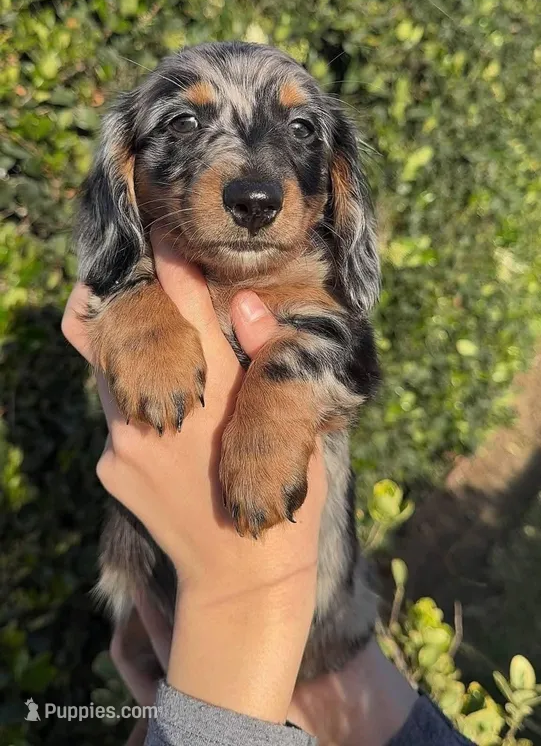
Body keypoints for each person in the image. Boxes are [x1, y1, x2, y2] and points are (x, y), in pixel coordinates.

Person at [62, 232, 473, 746]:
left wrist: (248, 594)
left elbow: (353, 360)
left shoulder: (309, 267)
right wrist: (131, 300)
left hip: (309, 632)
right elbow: (103, 290)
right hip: (252, 648)